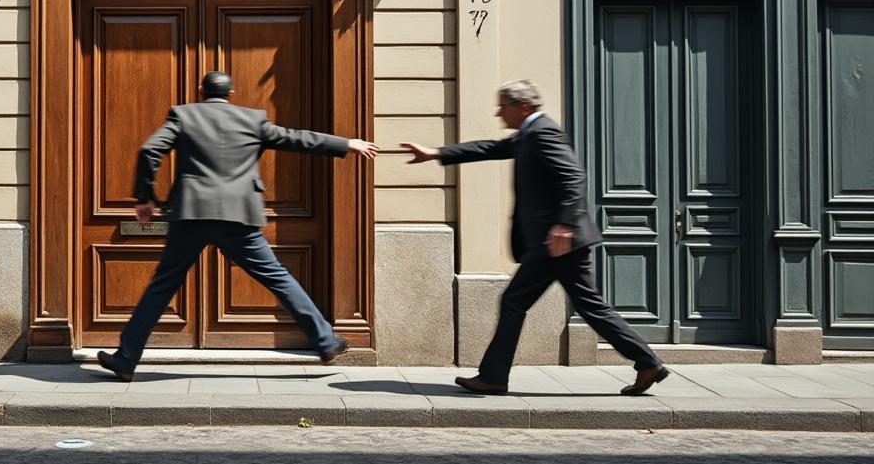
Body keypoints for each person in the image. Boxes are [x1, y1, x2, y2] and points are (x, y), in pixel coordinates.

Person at [96, 70, 379, 382]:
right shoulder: (252, 120)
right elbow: (297, 138)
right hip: (238, 216)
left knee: (162, 286)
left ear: (200, 91)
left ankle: (126, 358)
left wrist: (145, 198)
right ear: (232, 94)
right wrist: (345, 144)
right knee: (277, 278)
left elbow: (149, 150)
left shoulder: (183, 116)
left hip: (192, 215)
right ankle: (325, 340)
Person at [401, 79, 670, 396]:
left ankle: (493, 377)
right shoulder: (530, 134)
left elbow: (574, 177)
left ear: (523, 106)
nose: (499, 112)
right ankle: (647, 362)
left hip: (557, 242)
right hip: (555, 244)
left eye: (503, 105)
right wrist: (437, 153)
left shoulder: (542, 132)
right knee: (587, 307)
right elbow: (491, 147)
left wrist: (564, 225)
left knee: (517, 301)